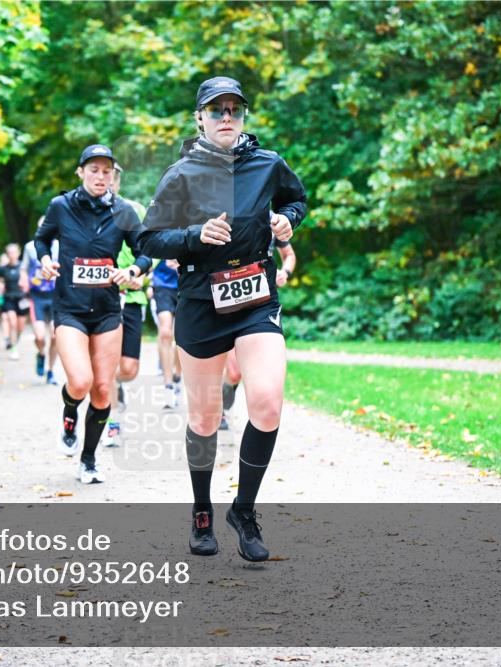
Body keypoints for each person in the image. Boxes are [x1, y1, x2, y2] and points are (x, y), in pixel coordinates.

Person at [139, 76, 307, 561]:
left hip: (256, 298)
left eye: (234, 109)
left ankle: (245, 510)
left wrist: (287, 220)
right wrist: (194, 236)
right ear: (200, 119)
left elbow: (297, 200)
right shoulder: (182, 175)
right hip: (200, 303)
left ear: (244, 116)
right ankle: (201, 511)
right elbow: (149, 240)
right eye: (217, 110)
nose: (226, 117)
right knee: (205, 416)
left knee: (268, 403)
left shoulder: (268, 164)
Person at [35, 144, 152, 484]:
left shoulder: (125, 211)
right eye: (94, 170)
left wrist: (133, 272)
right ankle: (69, 414)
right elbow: (42, 240)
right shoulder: (61, 206)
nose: (101, 177)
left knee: (102, 389)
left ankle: (88, 460)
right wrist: (45, 260)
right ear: (81, 172)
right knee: (81, 382)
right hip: (70, 307)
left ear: (113, 174)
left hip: (107, 310)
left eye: (107, 171)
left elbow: (144, 251)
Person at [221, 232, 297, 431]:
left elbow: (289, 255)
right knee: (234, 371)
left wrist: (285, 272)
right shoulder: (226, 216)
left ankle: (228, 409)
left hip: (261, 302)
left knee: (243, 371)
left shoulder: (271, 220)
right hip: (227, 298)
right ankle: (220, 407)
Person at [105, 161, 149, 447]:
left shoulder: (135, 210)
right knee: (107, 365)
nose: (107, 182)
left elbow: (150, 252)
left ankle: (113, 386)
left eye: (113, 178)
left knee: (128, 369)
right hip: (104, 297)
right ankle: (112, 423)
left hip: (132, 296)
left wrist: (140, 276)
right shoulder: (85, 213)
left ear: (118, 182)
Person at [21, 218, 60, 384]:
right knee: (39, 336)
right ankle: (41, 354)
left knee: (55, 335)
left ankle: (50, 371)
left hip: (55, 295)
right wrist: (23, 283)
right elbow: (23, 268)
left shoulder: (60, 245)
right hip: (36, 296)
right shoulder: (30, 247)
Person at [151, 258, 183, 409]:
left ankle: (177, 375)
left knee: (181, 336)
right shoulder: (159, 231)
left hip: (186, 282)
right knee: (165, 332)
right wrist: (148, 282)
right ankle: (168, 386)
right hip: (162, 284)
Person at [0, 244, 29, 360]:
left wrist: (27, 286)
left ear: (18, 253)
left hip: (22, 299)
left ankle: (15, 341)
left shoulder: (23, 267)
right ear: (7, 254)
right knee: (12, 322)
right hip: (9, 298)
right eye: (9, 252)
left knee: (20, 327)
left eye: (14, 252)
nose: (12, 255)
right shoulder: (3, 269)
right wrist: (0, 285)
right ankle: (14, 349)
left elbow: (31, 279)